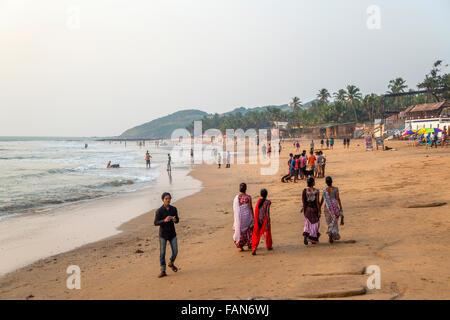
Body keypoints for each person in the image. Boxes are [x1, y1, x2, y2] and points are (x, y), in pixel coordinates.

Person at [154, 192, 179, 278]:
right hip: (163, 235)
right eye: (166, 199)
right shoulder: (159, 211)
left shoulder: (174, 209)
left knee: (175, 251)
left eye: (169, 198)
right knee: (162, 253)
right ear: (163, 200)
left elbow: (177, 220)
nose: (168, 200)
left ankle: (171, 263)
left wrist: (175, 220)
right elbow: (156, 223)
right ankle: (163, 270)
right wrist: (164, 220)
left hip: (172, 234)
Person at [321, 176, 344, 243]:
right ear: (332, 181)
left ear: (326, 182)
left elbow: (322, 200)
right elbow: (338, 199)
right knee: (334, 222)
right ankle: (333, 234)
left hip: (327, 208)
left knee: (329, 222)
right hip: (334, 208)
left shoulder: (324, 191)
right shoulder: (336, 189)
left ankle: (330, 235)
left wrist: (319, 208)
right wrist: (341, 207)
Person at [233, 183, 254, 251]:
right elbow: (250, 207)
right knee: (249, 230)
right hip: (247, 216)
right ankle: (249, 244)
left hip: (240, 216)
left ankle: (240, 246)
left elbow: (236, 208)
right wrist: (253, 216)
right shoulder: (248, 197)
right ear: (246, 188)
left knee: (240, 230)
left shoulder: (237, 197)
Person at [251, 189, 272, 255]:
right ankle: (269, 246)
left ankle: (254, 248)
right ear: (267, 194)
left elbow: (257, 210)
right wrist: (269, 220)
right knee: (268, 232)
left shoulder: (259, 201)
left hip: (258, 219)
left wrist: (255, 220)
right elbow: (267, 212)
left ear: (260, 194)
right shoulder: (268, 202)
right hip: (264, 219)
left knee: (256, 234)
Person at [302, 178, 321, 245]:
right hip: (314, 209)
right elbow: (317, 202)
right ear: (313, 183)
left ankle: (306, 235)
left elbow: (304, 201)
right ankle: (312, 238)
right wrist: (319, 211)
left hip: (307, 209)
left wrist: (304, 209)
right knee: (315, 224)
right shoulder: (316, 191)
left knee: (308, 223)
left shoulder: (305, 190)